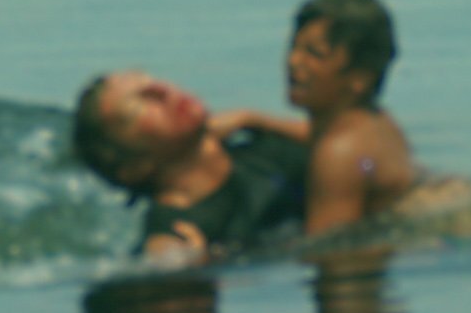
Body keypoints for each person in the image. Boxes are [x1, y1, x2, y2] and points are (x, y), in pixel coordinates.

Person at [207, 0, 426, 238]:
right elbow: (317, 135)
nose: (294, 61)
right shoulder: (373, 123)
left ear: (360, 78)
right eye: (294, 47)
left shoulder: (340, 154)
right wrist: (252, 119)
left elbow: (331, 256)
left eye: (314, 54)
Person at [70, 69, 311, 266]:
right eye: (141, 103)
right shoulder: (180, 234)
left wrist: (253, 119)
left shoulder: (257, 143)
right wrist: (196, 268)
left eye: (154, 82)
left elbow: (340, 138)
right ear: (134, 166)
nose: (165, 91)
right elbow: (162, 263)